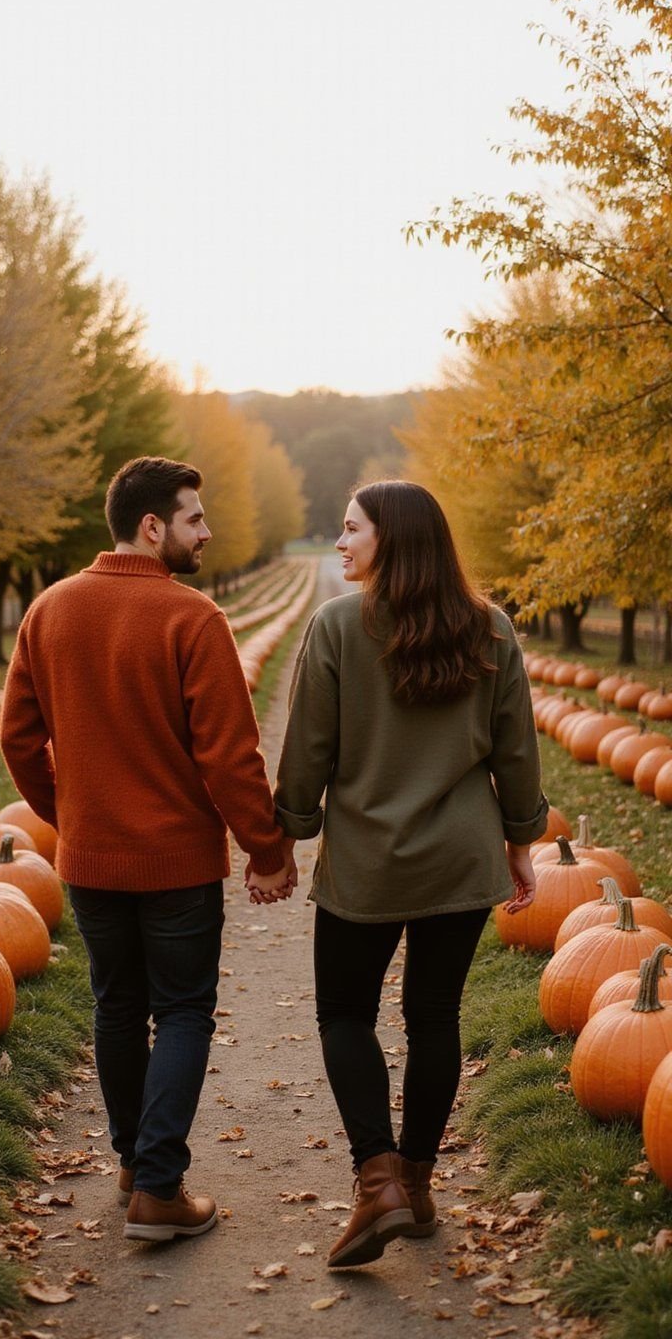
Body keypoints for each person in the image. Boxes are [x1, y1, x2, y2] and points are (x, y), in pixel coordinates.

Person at [0, 455, 294, 1245]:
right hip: (175, 866)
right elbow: (230, 760)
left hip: (91, 861)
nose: (208, 533)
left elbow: (18, 739)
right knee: (185, 1010)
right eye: (195, 518)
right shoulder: (191, 619)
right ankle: (159, 1189)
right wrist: (267, 850)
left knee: (118, 1007)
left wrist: (72, 814)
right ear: (153, 525)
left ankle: (134, 1163)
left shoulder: (50, 609)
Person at [273, 480, 547, 1268]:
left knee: (345, 1015)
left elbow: (309, 751)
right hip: (459, 857)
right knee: (433, 1015)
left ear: (392, 539)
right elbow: (515, 751)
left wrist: (289, 833)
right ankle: (418, 1182)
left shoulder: (336, 627)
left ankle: (377, 1180)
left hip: (367, 862)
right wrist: (522, 840)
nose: (340, 543)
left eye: (352, 529)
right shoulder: (489, 629)